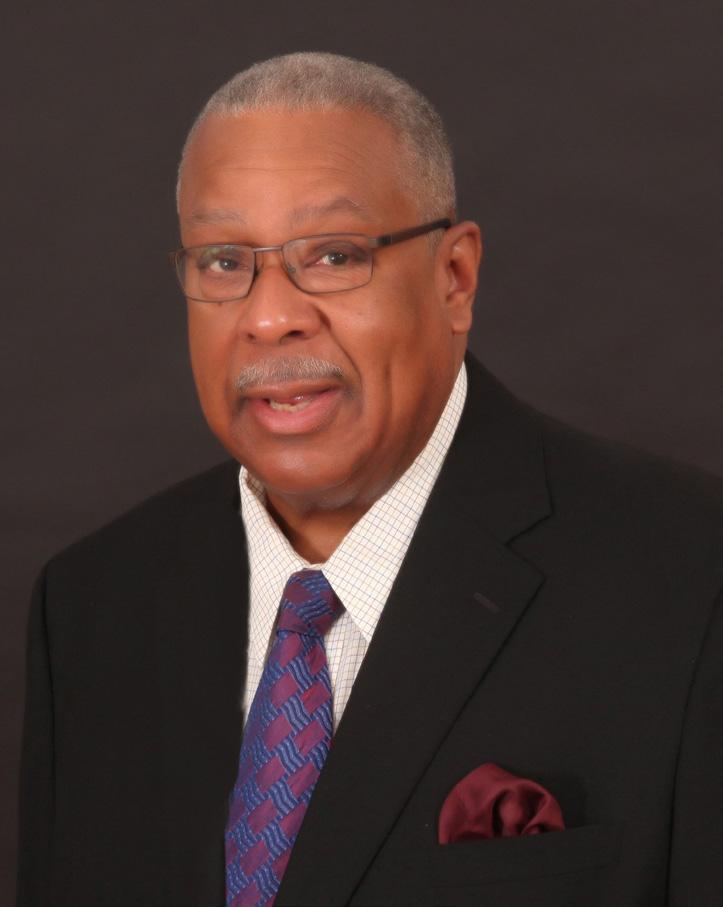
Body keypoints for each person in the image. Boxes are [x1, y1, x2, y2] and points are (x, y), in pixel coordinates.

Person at [17, 52, 723, 907]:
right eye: (223, 261)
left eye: (333, 254)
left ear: (454, 277)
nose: (269, 317)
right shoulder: (90, 608)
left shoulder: (690, 579)